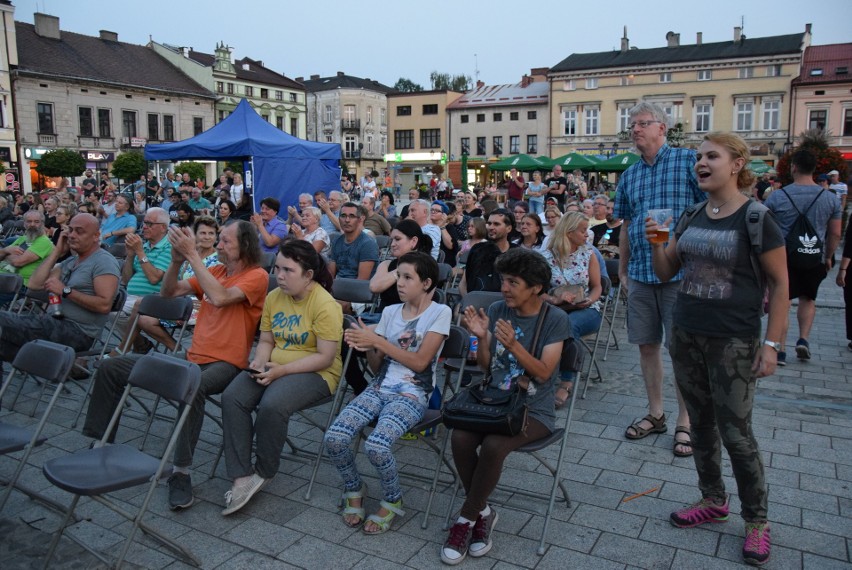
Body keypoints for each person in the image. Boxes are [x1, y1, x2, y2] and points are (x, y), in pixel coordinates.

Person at [648, 132, 787, 567]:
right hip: (686, 332)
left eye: (711, 156)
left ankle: (757, 521)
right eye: (698, 158)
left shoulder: (757, 217)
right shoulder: (692, 214)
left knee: (737, 434)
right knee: (702, 426)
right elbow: (668, 269)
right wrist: (656, 243)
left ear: (737, 163)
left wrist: (772, 345)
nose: (701, 164)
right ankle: (713, 499)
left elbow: (782, 285)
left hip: (734, 340)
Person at [82, 220, 268, 510]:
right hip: (191, 357)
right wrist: (176, 261)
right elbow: (169, 292)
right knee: (111, 367)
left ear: (244, 245)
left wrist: (193, 255)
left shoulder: (256, 276)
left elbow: (220, 298)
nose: (218, 245)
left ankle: (181, 472)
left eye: (225, 241)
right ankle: (99, 445)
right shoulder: (216, 270)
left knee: (190, 385)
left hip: (226, 363)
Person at [441, 248, 570, 565]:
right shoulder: (499, 309)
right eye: (503, 280)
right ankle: (483, 512)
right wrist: (482, 339)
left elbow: (543, 373)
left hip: (532, 409)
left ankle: (466, 519)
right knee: (459, 436)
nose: (504, 288)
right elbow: (487, 369)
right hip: (494, 401)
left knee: (494, 446)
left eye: (513, 282)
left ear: (536, 287)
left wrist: (514, 344)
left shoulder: (555, 320)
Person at [325, 251, 450, 533]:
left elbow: (420, 363)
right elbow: (377, 365)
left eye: (408, 277)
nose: (400, 284)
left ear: (427, 283)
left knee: (377, 445)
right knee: (334, 438)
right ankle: (354, 487)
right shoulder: (390, 312)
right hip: (379, 387)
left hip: (412, 394)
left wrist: (376, 339)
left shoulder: (440, 312)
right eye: (398, 277)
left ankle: (393, 498)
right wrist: (369, 346)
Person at [220, 240, 342, 515]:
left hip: (317, 373)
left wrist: (281, 371)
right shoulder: (275, 297)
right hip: (274, 366)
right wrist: (259, 362)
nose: (280, 276)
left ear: (308, 274)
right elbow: (265, 340)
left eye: (288, 270)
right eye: (277, 268)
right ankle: (241, 474)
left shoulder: (325, 304)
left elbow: (325, 357)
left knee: (272, 404)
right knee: (233, 396)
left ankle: (264, 470)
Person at [613, 102, 704, 455]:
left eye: (641, 123)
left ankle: (686, 420)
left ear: (662, 128)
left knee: (681, 349)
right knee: (647, 346)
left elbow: (709, 209)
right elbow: (625, 226)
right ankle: (656, 413)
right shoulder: (630, 174)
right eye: (631, 124)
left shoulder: (687, 161)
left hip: (681, 273)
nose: (634, 129)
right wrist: (622, 269)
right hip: (639, 274)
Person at [0, 213, 120, 363]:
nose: (72, 235)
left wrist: (65, 291)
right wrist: (56, 252)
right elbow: (34, 284)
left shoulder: (104, 262)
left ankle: (67, 366)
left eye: (79, 231)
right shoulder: (71, 261)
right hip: (52, 323)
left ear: (96, 236)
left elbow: (104, 305)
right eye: (70, 230)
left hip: (77, 332)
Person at [764, 149, 841, 363]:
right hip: (814, 255)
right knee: (808, 298)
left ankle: (779, 349)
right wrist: (828, 256)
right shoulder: (830, 199)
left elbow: (765, 227)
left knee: (783, 301)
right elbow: (835, 232)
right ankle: (803, 340)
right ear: (815, 169)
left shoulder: (778, 196)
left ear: (794, 167)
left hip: (783, 256)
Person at [541, 211, 603, 407]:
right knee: (547, 322)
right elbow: (537, 291)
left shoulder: (588, 253)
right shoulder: (546, 257)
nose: (587, 235)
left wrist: (589, 300)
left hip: (587, 309)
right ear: (568, 232)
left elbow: (597, 286)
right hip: (556, 307)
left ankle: (566, 382)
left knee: (568, 325)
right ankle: (539, 371)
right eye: (583, 230)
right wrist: (555, 299)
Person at [135, 216, 221, 352]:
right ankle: (178, 350)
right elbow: (177, 282)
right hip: (181, 300)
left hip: (203, 304)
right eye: (203, 233)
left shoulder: (219, 260)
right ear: (195, 236)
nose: (207, 237)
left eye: (211, 233)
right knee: (145, 319)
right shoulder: (187, 256)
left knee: (141, 304)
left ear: (216, 237)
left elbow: (216, 290)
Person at [0, 211, 55, 302]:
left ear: (42, 224)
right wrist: (6, 250)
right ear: (24, 223)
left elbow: (18, 262)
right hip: (5, 278)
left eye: (36, 222)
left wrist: (6, 255)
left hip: (18, 285)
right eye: (29, 221)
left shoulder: (44, 242)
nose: (32, 224)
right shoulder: (23, 239)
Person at [459, 209, 516, 295]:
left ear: (509, 228)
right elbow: (463, 284)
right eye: (489, 223)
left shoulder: (517, 254)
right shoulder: (477, 250)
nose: (491, 227)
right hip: (475, 304)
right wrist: (468, 302)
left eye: (496, 224)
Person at [328, 202, 379, 280]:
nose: (347, 220)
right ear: (339, 219)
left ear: (359, 220)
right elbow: (330, 275)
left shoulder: (368, 244)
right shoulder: (337, 241)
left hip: (356, 289)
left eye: (352, 216)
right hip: (337, 286)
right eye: (343, 216)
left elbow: (361, 281)